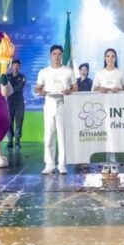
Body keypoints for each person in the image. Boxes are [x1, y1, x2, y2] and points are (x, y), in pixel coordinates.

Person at [36, 45, 77, 174]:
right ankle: (49, 164)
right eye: (55, 54)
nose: (57, 56)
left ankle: (62, 164)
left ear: (62, 55)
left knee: (62, 135)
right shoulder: (43, 72)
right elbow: (37, 88)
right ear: (50, 55)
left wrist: (69, 91)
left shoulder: (68, 71)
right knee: (49, 135)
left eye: (59, 54)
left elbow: (75, 88)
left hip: (62, 103)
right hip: (49, 103)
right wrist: (42, 92)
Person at [95, 48, 124, 171]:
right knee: (104, 135)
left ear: (116, 58)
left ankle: (113, 162)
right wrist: (100, 89)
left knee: (114, 135)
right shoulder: (99, 73)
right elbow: (94, 89)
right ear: (104, 58)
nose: (110, 58)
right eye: (108, 56)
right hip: (102, 109)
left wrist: (119, 90)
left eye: (112, 56)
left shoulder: (120, 73)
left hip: (116, 108)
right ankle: (105, 162)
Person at [5, 59, 27, 150]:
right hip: (9, 102)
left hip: (19, 103)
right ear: (11, 66)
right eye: (14, 65)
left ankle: (17, 141)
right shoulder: (7, 76)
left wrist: (9, 89)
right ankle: (10, 141)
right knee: (9, 122)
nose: (15, 67)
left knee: (19, 122)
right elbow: (3, 86)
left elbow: (20, 87)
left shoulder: (22, 77)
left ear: (20, 67)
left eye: (17, 66)